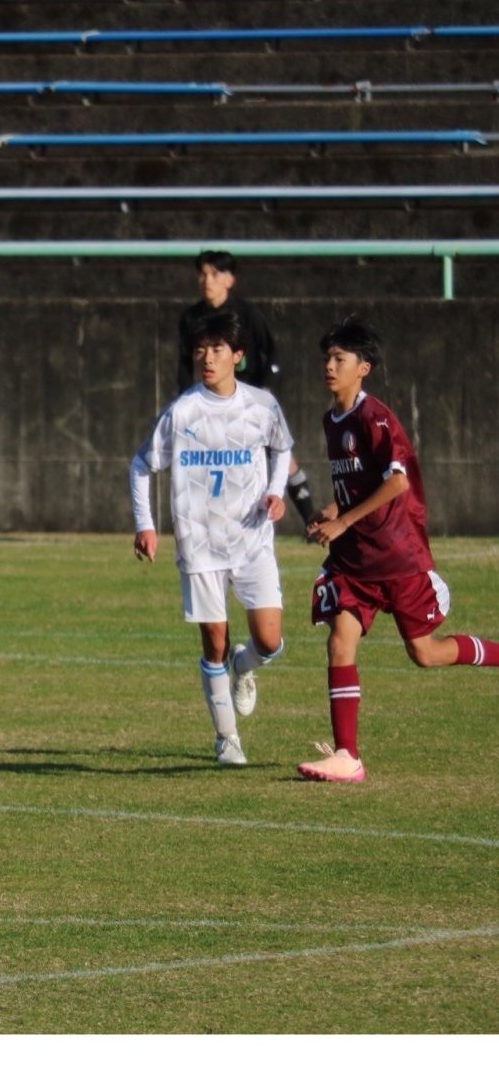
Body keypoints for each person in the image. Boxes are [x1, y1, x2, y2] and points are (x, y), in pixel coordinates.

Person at [298, 317, 499, 784]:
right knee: (340, 640)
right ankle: (347, 755)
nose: (329, 366)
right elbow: (359, 484)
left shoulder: (376, 417)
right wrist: (333, 509)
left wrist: (344, 521)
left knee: (425, 653)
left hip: (396, 555)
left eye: (339, 359)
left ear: (363, 368)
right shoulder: (332, 420)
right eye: (327, 358)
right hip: (355, 561)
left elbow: (397, 482)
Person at [131, 309, 293, 766]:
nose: (207, 358)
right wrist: (145, 524)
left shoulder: (262, 406)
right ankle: (227, 739)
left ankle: (245, 666)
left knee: (270, 642)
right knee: (214, 641)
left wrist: (276, 492)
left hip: (252, 539)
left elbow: (283, 448)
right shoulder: (182, 412)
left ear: (237, 355)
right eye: (200, 349)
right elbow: (141, 464)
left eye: (217, 349)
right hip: (199, 543)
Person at [176, 250, 318, 528]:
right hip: (213, 400)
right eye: (203, 274)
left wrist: (265, 389)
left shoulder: (247, 314)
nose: (207, 280)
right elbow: (183, 363)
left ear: (230, 280)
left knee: (281, 453)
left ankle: (310, 520)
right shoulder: (191, 317)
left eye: (215, 274)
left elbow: (272, 353)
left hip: (250, 395)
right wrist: (183, 398)